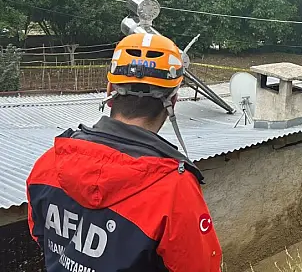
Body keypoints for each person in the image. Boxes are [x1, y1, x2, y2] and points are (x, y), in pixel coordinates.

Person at [26, 32, 223, 271]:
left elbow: (40, 236)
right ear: (173, 101)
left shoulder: (49, 163)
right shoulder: (175, 190)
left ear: (110, 91)